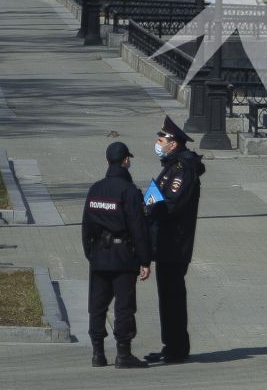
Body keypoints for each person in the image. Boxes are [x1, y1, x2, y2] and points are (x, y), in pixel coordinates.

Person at [81, 140, 152, 369]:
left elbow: (86, 226)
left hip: (100, 256)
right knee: (124, 305)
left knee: (97, 304)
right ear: (126, 160)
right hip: (123, 256)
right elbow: (138, 228)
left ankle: (97, 353)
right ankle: (123, 354)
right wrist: (145, 260)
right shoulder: (129, 191)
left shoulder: (95, 189)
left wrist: (91, 253)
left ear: (106, 161)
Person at [143, 115, 205, 365]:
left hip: (175, 244)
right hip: (166, 242)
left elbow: (170, 205)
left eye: (161, 139)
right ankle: (171, 344)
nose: (158, 142)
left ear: (173, 143)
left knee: (173, 297)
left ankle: (177, 348)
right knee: (167, 296)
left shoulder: (182, 171)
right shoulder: (170, 167)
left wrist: (148, 208)